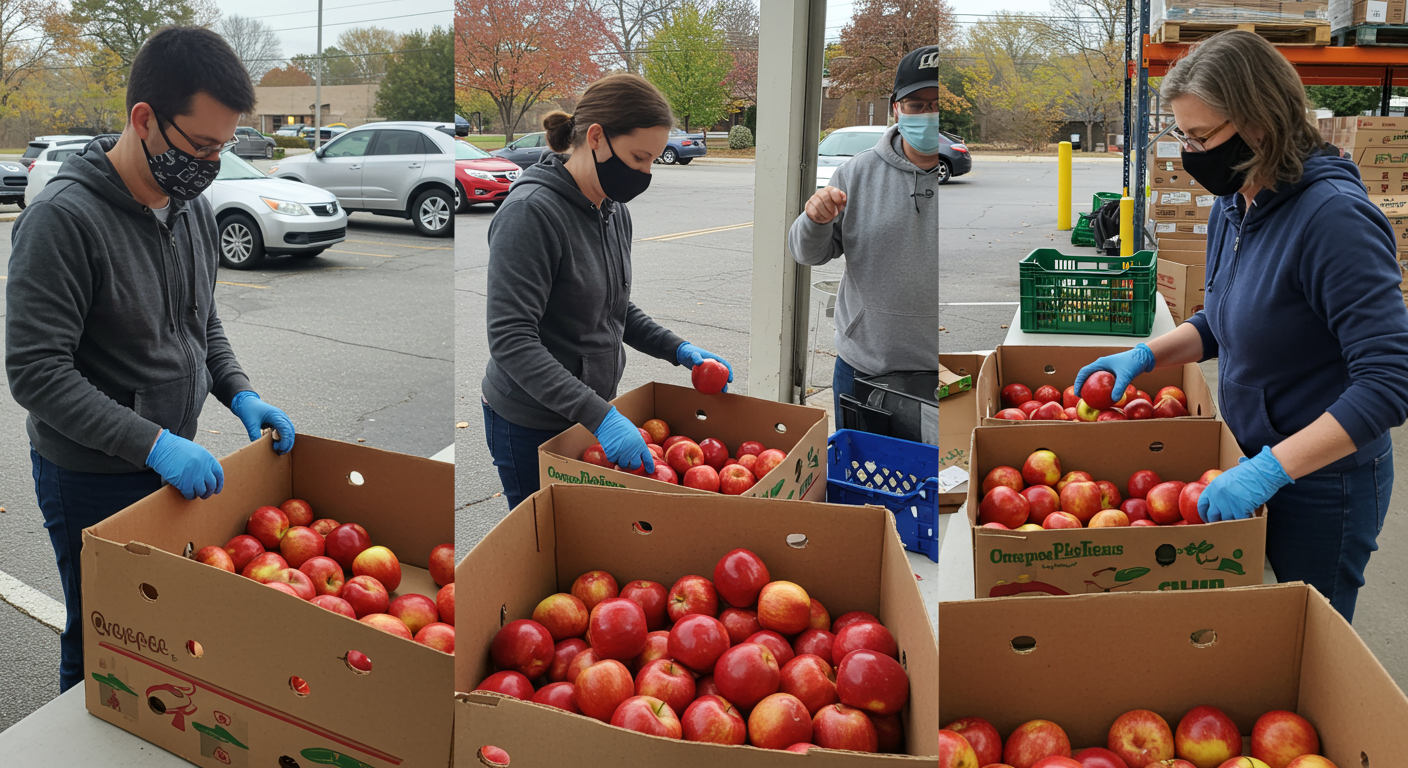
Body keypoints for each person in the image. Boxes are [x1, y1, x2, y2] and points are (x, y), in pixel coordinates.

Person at [1074, 30, 1408, 621]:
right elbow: (1225, 318)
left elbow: (1389, 381)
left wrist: (1273, 469)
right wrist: (1146, 356)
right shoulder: (1237, 203)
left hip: (1321, 484)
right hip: (1251, 456)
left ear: (1260, 123)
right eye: (1182, 135)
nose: (1190, 152)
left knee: (1300, 633)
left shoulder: (1334, 222)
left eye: (1201, 137)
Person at [5, 27, 297, 692]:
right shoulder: (62, 222)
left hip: (168, 462)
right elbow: (36, 372)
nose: (211, 163)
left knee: (157, 629)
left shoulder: (190, 208)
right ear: (144, 119)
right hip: (91, 475)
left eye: (222, 147)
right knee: (101, 633)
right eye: (201, 145)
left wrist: (240, 391)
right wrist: (154, 444)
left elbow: (201, 321)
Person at [482, 73, 733, 509]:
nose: (645, 173)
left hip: (587, 412)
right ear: (596, 137)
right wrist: (600, 416)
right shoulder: (529, 214)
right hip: (530, 421)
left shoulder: (611, 210)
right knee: (543, 537)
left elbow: (613, 307)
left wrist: (678, 349)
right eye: (638, 157)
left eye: (652, 161)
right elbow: (511, 339)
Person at [788, 45, 940, 416]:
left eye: (939, 105)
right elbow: (807, 253)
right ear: (896, 109)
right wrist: (814, 220)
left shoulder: (962, 180)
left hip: (948, 373)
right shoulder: (856, 174)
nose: (929, 114)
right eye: (917, 105)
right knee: (858, 457)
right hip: (863, 368)